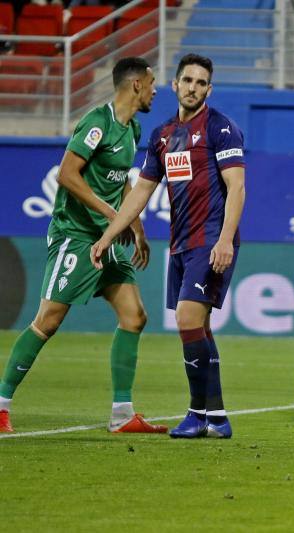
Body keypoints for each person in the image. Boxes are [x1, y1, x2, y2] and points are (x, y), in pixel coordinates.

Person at [0, 57, 166, 434]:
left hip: (104, 239)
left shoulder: (132, 129)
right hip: (74, 235)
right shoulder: (97, 123)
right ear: (136, 85)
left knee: (134, 316)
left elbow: (123, 180)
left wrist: (135, 226)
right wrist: (113, 216)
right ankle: (1, 404)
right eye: (152, 82)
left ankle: (122, 415)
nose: (156, 90)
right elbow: (67, 175)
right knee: (48, 321)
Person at [90, 53, 245, 439]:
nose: (193, 87)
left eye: (201, 82)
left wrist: (225, 239)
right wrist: (109, 236)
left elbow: (236, 187)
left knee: (188, 321)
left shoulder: (221, 129)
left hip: (211, 241)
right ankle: (219, 418)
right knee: (200, 328)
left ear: (209, 89)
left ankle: (196, 414)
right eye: (187, 80)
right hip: (180, 244)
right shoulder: (161, 135)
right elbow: (141, 191)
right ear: (175, 85)